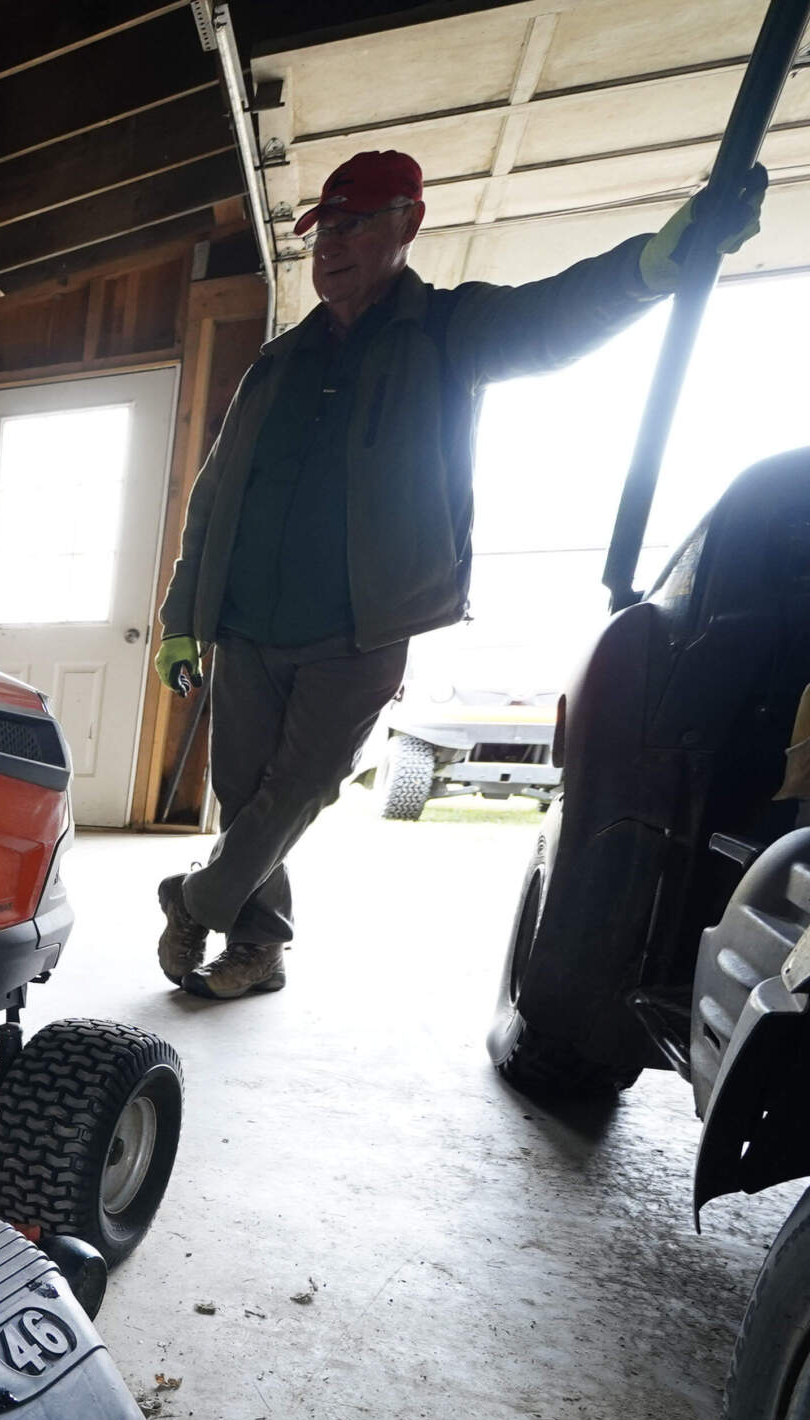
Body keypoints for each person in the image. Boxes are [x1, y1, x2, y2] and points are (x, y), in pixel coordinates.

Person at [151, 149, 762, 999]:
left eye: (355, 224)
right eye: (323, 229)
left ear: (409, 223)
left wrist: (657, 264)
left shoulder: (445, 331)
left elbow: (556, 318)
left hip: (358, 627)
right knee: (243, 795)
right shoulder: (277, 364)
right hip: (245, 622)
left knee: (298, 790)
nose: (331, 245)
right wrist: (182, 615)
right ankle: (258, 945)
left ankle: (198, 899)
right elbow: (212, 499)